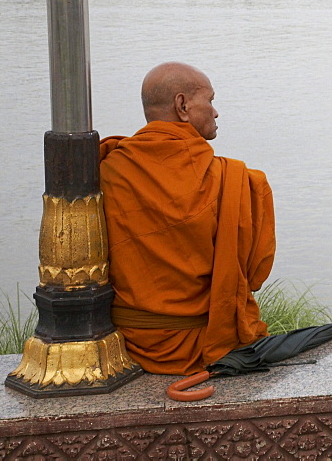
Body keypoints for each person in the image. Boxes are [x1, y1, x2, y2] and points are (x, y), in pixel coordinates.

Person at [99, 62, 276, 374]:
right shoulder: (236, 180)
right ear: (182, 106)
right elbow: (255, 273)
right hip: (205, 344)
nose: (216, 112)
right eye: (209, 100)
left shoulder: (109, 168)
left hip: (127, 343)